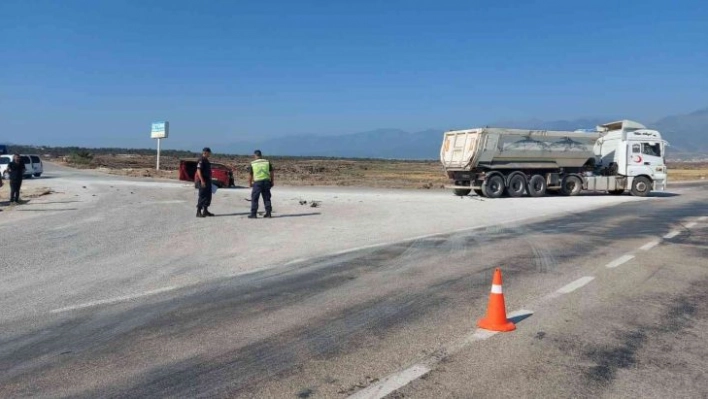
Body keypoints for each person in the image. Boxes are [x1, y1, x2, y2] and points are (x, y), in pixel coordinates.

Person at [247, 149, 274, 219]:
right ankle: (268, 213)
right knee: (267, 198)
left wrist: (250, 183)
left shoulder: (253, 163)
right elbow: (272, 172)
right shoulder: (267, 162)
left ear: (255, 155)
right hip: (266, 181)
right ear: (261, 155)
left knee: (255, 198)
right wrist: (272, 181)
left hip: (257, 182)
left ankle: (253, 214)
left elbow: (250, 175)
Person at [195, 147, 215, 218]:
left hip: (208, 180)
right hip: (203, 180)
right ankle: (198, 211)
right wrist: (202, 180)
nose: (210, 154)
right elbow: (198, 171)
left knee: (208, 196)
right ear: (205, 152)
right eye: (209, 153)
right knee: (202, 196)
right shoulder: (201, 160)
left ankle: (205, 211)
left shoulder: (206, 160)